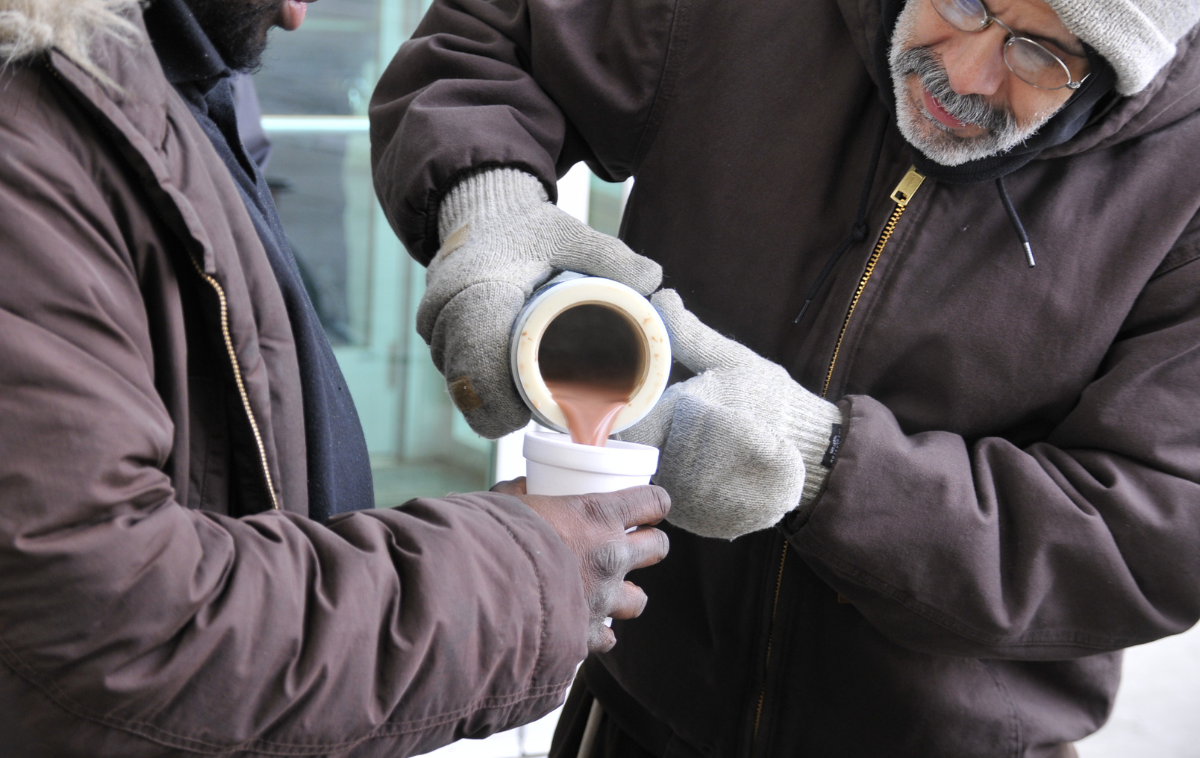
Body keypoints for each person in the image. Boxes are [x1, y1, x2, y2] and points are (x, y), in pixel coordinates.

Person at [369, 0, 1200, 754]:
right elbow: (490, 44)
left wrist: (822, 466)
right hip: (640, 713)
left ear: (1118, 71)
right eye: (965, 2)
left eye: (1039, 56)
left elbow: (1151, 530)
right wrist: (488, 212)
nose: (966, 73)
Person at [0, 0, 671, 755]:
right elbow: (109, 635)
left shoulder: (163, 76)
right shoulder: (30, 123)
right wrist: (529, 576)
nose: (298, 14)